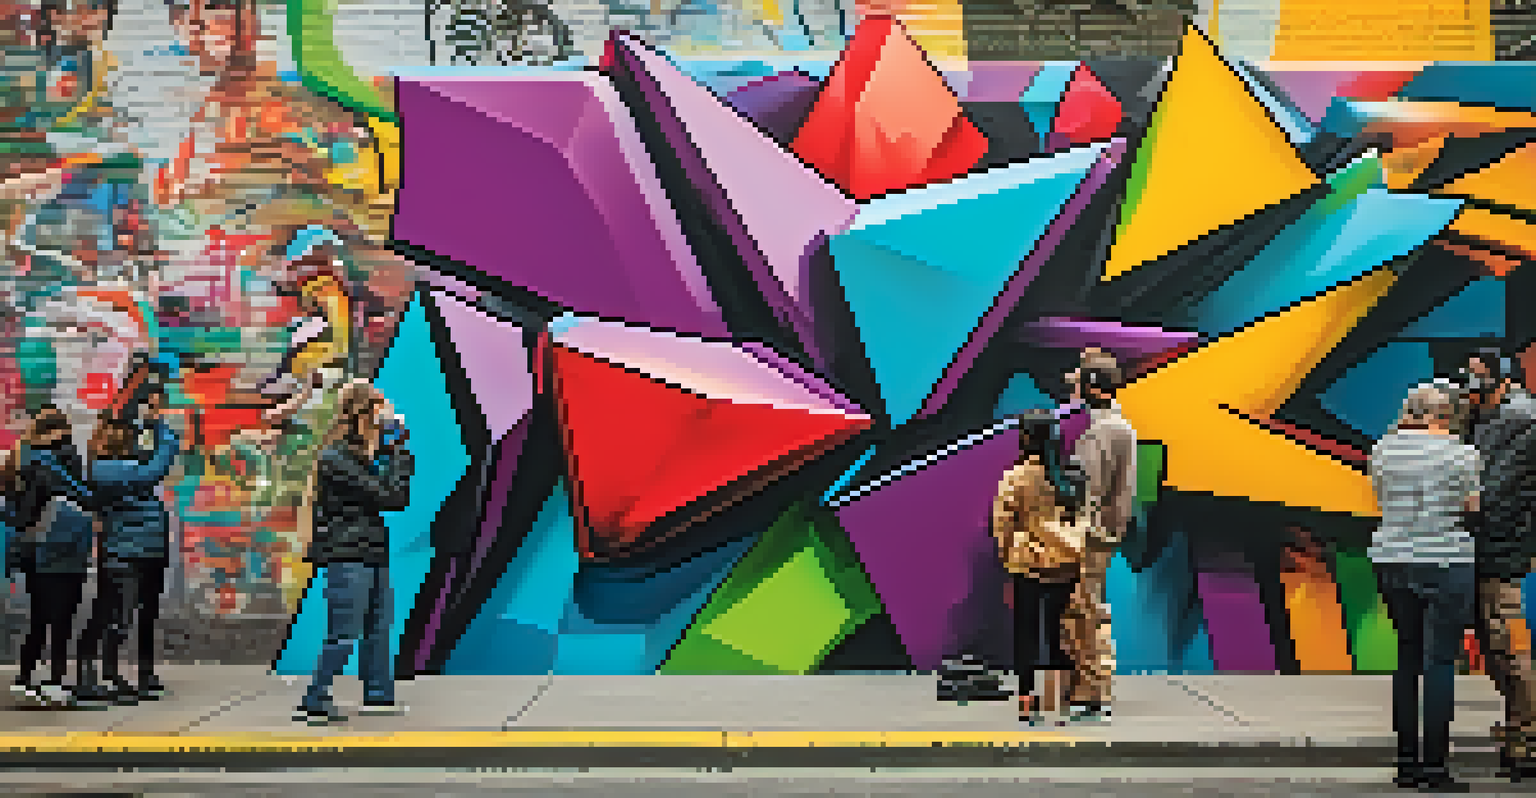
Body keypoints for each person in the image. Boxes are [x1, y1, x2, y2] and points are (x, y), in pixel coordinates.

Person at [1369, 383, 1480, 792]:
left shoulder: (1382, 450)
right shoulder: (1462, 454)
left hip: (1392, 558)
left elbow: (1382, 500)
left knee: (1407, 655)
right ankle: (1434, 767)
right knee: (1440, 661)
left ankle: (1405, 764)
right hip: (1446, 560)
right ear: (1442, 416)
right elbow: (1471, 506)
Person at [296, 379, 413, 724]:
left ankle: (378, 694)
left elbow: (395, 493)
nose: (388, 419)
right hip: (347, 555)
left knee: (378, 628)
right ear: (364, 414)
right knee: (343, 634)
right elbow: (392, 497)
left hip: (372, 551)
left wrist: (394, 449)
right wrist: (399, 450)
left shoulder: (364, 457)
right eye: (381, 412)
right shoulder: (337, 458)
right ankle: (315, 698)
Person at [76, 364, 180, 706]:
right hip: (124, 553)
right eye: (130, 434)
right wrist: (160, 425)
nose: (135, 437)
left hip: (147, 550)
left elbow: (149, 462)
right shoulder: (105, 469)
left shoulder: (125, 463)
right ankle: (90, 676)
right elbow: (156, 468)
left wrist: (149, 418)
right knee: (114, 617)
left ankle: (123, 675)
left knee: (139, 615)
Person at [1459, 347, 1536, 781]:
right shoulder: (1485, 419)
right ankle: (1518, 725)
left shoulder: (1521, 422)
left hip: (1501, 551)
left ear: (1503, 379)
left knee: (1507, 643)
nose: (1470, 384)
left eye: (1477, 376)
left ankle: (1528, 736)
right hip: (1483, 548)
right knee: (1493, 645)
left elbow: (1495, 492)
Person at [992, 412, 1089, 726]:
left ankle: (1026, 702)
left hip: (1027, 567)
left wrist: (1010, 557)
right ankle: (1059, 703)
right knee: (1060, 634)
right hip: (1066, 565)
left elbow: (1002, 525)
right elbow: (1083, 519)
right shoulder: (1071, 476)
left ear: (1025, 437)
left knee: (1026, 634)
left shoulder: (1015, 478)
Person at [1061, 353, 1137, 723]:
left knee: (1081, 613)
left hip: (1088, 536)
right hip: (1103, 534)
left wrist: (1072, 532)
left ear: (1092, 387)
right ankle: (1094, 686)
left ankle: (1090, 692)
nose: (1073, 391)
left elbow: (1086, 488)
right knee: (1092, 610)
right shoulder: (1121, 426)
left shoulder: (1098, 431)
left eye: (1077, 384)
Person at [1, 406, 94, 707]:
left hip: (32, 551)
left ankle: (25, 680)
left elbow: (17, 512)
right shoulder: (54, 466)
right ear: (56, 434)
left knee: (40, 617)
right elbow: (84, 497)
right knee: (62, 619)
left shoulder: (20, 460)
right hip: (62, 549)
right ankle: (55, 682)